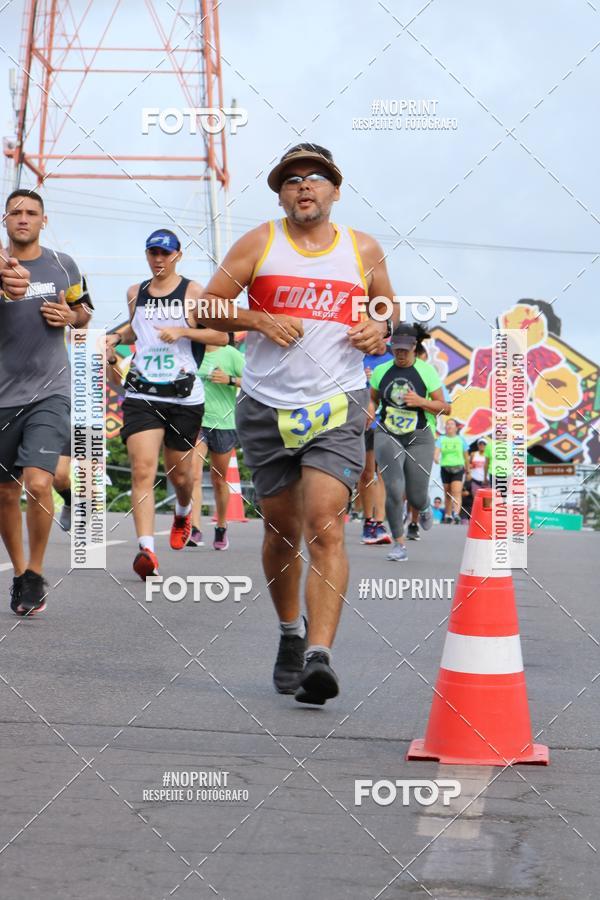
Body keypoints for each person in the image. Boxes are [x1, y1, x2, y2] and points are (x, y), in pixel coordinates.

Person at [196, 143, 394, 705]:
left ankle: (319, 656)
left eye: (315, 178)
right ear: (281, 193)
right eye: (291, 180)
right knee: (280, 532)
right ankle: (290, 634)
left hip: (336, 404)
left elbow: (386, 307)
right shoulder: (261, 242)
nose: (303, 186)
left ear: (335, 189)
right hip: (265, 407)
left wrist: (378, 330)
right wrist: (256, 316)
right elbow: (205, 308)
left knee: (325, 524)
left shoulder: (364, 248)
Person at [104, 228, 227, 581]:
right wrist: (114, 338)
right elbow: (135, 330)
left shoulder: (194, 292)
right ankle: (147, 551)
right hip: (143, 393)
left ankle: (183, 509)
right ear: (147, 255)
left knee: (182, 475)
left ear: (178, 256)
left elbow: (220, 335)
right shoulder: (135, 293)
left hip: (184, 397)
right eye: (153, 253)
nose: (158, 259)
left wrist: (185, 331)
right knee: (143, 470)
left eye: (165, 253)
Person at [0, 189, 91, 615]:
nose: (23, 218)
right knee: (5, 493)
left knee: (38, 481)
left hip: (50, 390)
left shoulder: (62, 265)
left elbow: (84, 309)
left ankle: (35, 572)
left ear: (43, 220)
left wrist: (72, 318)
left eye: (31, 212)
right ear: (5, 221)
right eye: (15, 212)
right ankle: (19, 574)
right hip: (2, 394)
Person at [369, 322, 449, 562]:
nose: (401, 354)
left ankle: (423, 506)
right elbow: (372, 399)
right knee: (394, 489)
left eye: (405, 349)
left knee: (415, 494)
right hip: (387, 433)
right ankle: (399, 544)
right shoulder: (381, 371)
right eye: (396, 349)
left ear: (415, 347)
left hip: (419, 437)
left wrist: (421, 402)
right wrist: (368, 411)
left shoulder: (427, 372)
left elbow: (445, 408)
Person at [188, 340, 245, 550]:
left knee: (219, 480)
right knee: (192, 475)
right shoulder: (193, 352)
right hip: (197, 423)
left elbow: (255, 381)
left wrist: (229, 379)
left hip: (224, 423)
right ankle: (194, 529)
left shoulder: (231, 354)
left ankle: (221, 526)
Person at [54, 275, 94, 532]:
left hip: (89, 418)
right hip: (60, 415)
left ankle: (84, 509)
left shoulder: (99, 341)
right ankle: (70, 502)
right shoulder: (53, 343)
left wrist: (112, 362)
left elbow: (118, 380)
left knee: (88, 483)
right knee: (58, 477)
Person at [359, 354, 392, 545]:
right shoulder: (357, 355)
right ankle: (368, 520)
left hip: (388, 422)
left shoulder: (392, 356)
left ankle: (379, 523)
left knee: (384, 473)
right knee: (366, 473)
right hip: (364, 421)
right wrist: (360, 377)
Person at [435, 418, 470, 523]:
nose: (449, 426)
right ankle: (448, 514)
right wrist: (436, 457)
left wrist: (468, 470)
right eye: (447, 424)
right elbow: (437, 451)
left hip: (458, 468)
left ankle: (456, 514)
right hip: (445, 467)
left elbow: (466, 456)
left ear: (456, 428)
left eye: (452, 424)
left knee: (456, 491)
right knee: (447, 493)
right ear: (445, 427)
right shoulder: (441, 439)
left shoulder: (461, 440)